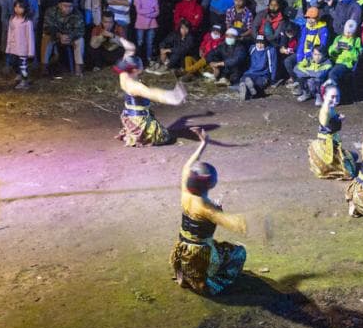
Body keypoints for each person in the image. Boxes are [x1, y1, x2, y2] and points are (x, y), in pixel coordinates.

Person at [170, 127, 248, 295]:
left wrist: (203, 143)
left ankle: (188, 276)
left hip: (183, 247)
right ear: (211, 184)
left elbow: (187, 166)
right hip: (199, 254)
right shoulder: (206, 208)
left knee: (213, 246)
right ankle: (209, 282)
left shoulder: (186, 192)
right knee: (239, 252)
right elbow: (237, 225)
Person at [114, 39, 186, 147]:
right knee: (164, 136)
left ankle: (132, 133)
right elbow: (153, 93)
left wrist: (116, 37)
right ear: (136, 70)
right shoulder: (135, 86)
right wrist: (173, 98)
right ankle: (139, 135)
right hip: (138, 120)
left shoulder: (124, 73)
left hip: (129, 115)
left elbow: (130, 48)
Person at [307, 81, 357, 180]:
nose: (335, 99)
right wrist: (337, 118)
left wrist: (338, 117)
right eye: (332, 96)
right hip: (327, 144)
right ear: (325, 96)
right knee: (353, 163)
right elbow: (325, 122)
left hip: (331, 141)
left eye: (337, 96)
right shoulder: (325, 109)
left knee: (354, 157)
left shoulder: (330, 107)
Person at [41, 0, 85, 76]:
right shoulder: (51, 11)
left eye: (70, 6)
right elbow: (47, 27)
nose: (68, 9)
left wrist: (69, 36)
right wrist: (59, 35)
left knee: (80, 40)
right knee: (46, 38)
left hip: (70, 38)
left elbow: (80, 30)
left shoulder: (77, 13)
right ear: (59, 5)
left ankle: (78, 69)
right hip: (56, 36)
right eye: (65, 6)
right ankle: (44, 67)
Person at [5, 0, 35, 90]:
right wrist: (8, 47)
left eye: (20, 7)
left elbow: (30, 37)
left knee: (23, 66)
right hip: (14, 48)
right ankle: (19, 75)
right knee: (13, 63)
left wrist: (31, 51)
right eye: (16, 7)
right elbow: (10, 34)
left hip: (23, 49)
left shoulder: (27, 22)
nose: (17, 9)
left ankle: (24, 81)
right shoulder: (12, 19)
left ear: (25, 8)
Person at [238, 36, 277, 101]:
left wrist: (272, 79)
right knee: (243, 80)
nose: (259, 45)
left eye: (262, 43)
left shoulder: (270, 50)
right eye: (258, 43)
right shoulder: (252, 48)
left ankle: (246, 91)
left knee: (258, 84)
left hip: (263, 74)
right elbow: (247, 60)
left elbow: (273, 65)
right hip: (251, 72)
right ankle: (247, 89)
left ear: (265, 43)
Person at [327, 19, 363, 84]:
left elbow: (357, 56)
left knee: (333, 73)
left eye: (350, 32)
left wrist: (350, 49)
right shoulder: (338, 38)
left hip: (346, 63)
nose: (348, 34)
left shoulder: (356, 40)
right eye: (346, 31)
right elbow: (330, 52)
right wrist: (336, 48)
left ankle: (334, 90)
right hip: (334, 61)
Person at [133, 0, 160, 64]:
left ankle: (149, 58)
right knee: (140, 42)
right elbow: (138, 11)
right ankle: (139, 59)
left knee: (150, 42)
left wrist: (148, 13)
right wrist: (150, 11)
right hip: (141, 24)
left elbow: (157, 12)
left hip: (151, 24)